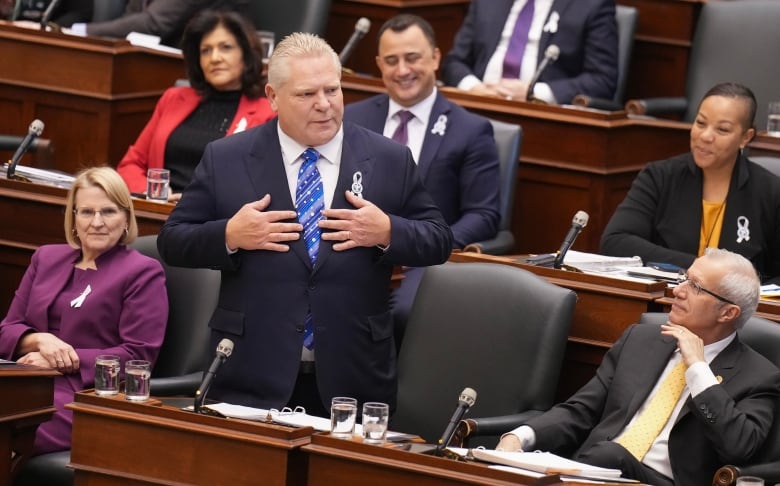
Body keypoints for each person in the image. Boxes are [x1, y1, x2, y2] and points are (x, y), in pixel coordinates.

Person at [156, 32, 452, 417]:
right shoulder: (227, 157)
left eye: (333, 90)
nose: (324, 105)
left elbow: (439, 240)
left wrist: (387, 231)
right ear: (273, 96)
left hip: (353, 375)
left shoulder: (388, 159)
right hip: (250, 372)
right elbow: (173, 242)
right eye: (307, 94)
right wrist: (229, 235)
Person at [497, 248, 780, 485]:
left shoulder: (760, 377)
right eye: (684, 278)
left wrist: (698, 369)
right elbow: (582, 410)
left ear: (728, 312)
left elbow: (740, 446)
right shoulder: (640, 340)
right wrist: (520, 437)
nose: (678, 290)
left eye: (695, 287)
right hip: (594, 468)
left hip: (662, 480)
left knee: (610, 455)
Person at [343, 14, 500, 348]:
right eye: (391, 60)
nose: (402, 70)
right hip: (352, 249)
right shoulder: (353, 118)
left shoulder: (470, 130)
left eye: (412, 58)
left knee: (403, 312)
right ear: (378, 65)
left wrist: (424, 243)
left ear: (436, 58)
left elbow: (484, 215)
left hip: (424, 261)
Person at [0, 166, 168, 455]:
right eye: (87, 212)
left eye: (109, 211)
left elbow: (138, 355)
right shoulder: (46, 258)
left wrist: (64, 359)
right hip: (22, 381)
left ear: (126, 217)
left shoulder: (143, 272)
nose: (97, 222)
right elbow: (8, 328)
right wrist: (41, 341)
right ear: (73, 219)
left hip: (84, 394)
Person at [601, 82, 780, 284]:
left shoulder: (770, 193)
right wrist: (700, 267)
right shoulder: (660, 176)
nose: (705, 136)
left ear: (745, 138)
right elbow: (615, 240)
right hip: (666, 302)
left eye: (722, 130)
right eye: (700, 123)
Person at [116, 9, 274, 201]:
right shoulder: (173, 99)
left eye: (225, 47)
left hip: (218, 220)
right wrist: (156, 195)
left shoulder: (268, 112)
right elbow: (131, 164)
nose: (214, 58)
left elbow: (262, 186)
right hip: (161, 209)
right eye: (205, 50)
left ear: (246, 54)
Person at [441, 0, 618, 105]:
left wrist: (535, 93)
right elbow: (454, 61)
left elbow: (602, 80)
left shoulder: (591, 5)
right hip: (476, 105)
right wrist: (474, 88)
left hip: (543, 117)